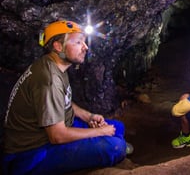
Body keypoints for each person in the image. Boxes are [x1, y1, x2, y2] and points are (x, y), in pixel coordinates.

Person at [2, 20, 128, 175]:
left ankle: (108, 142)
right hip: (31, 153)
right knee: (116, 147)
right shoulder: (49, 79)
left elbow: (64, 100)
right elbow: (57, 136)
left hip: (55, 129)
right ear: (58, 46)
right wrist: (100, 133)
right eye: (78, 42)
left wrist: (89, 116)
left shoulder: (54, 65)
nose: (85, 47)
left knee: (118, 127)